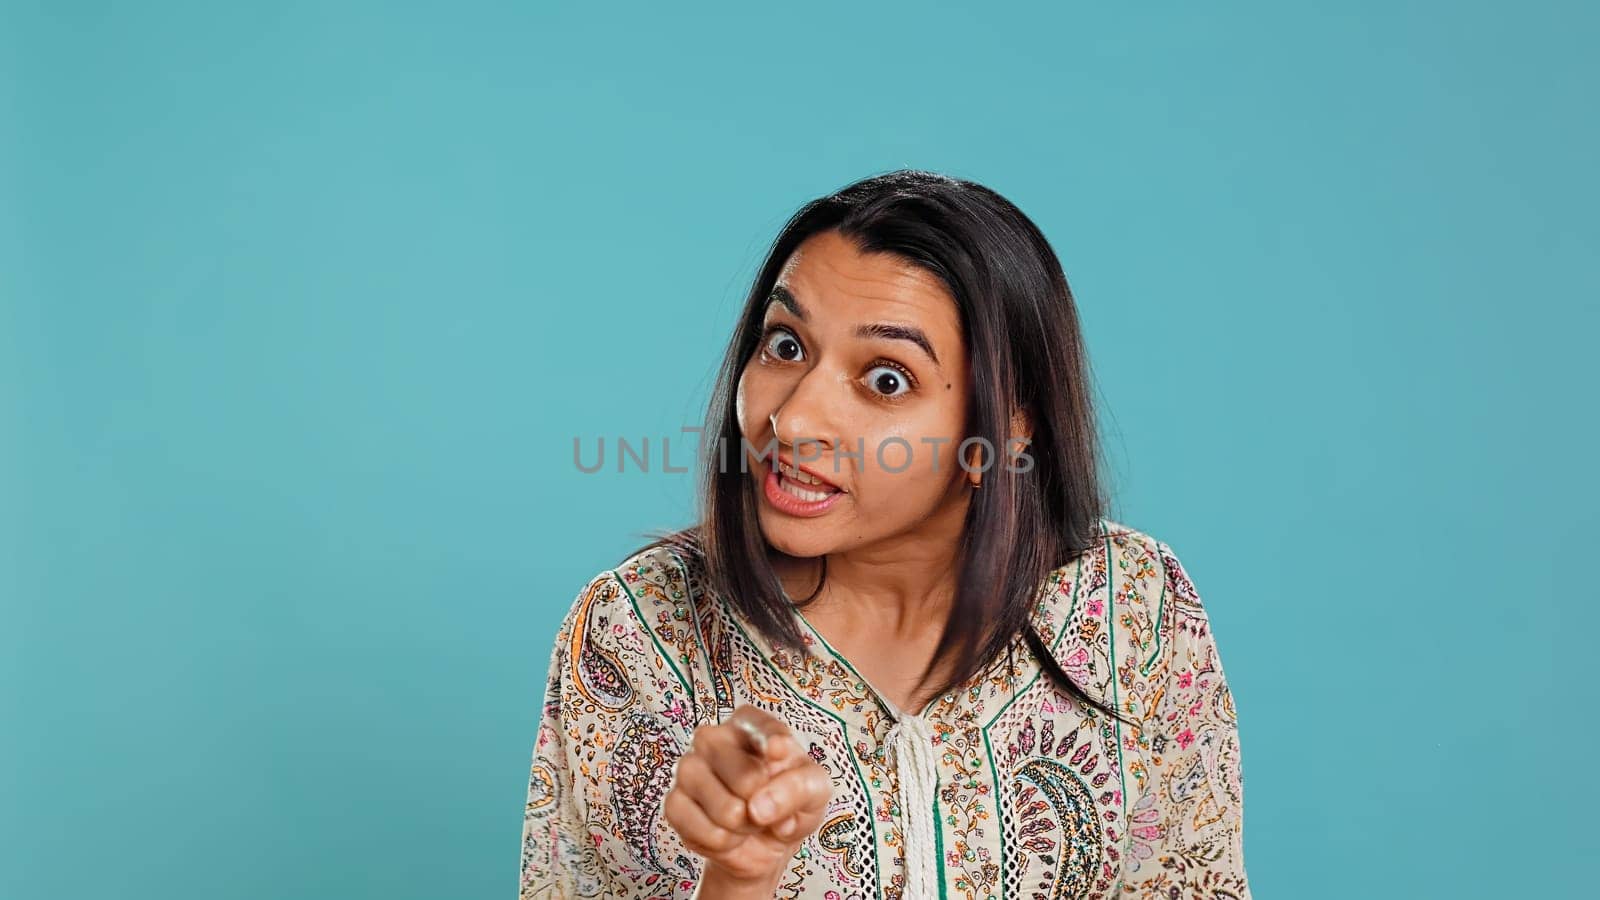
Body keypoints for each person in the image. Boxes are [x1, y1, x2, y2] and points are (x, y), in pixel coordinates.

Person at [519, 170, 1250, 899]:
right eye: (785, 345)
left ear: (1009, 428)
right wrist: (739, 876)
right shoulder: (641, 632)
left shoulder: (1133, 610)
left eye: (887, 379)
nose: (795, 420)